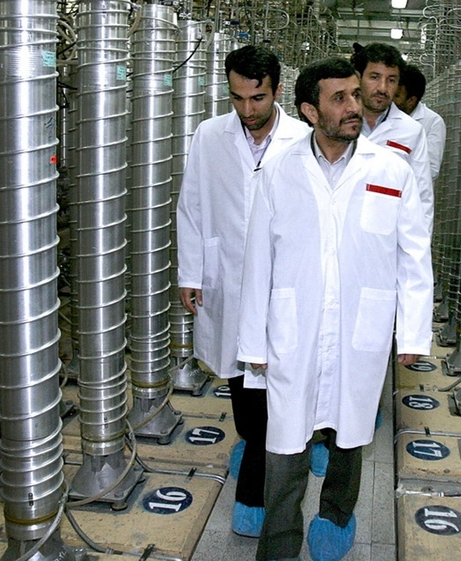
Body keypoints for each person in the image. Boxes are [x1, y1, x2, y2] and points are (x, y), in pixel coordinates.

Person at [237, 57, 433, 561]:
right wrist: (252, 342)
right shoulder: (279, 169)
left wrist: (412, 332)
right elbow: (259, 257)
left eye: (354, 94)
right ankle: (279, 544)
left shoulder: (390, 168)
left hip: (360, 323)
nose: (355, 106)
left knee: (351, 429)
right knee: (285, 441)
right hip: (294, 323)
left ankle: (337, 515)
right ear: (309, 110)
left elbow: (413, 254)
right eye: (340, 98)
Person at [176, 44, 310, 538]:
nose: (247, 110)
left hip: (283, 285)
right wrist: (191, 271)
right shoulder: (210, 135)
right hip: (227, 279)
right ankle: (254, 442)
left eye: (257, 98)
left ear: (276, 90)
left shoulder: (303, 137)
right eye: (237, 99)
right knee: (239, 378)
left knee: (273, 391)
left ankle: (254, 492)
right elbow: (191, 205)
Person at [350, 42, 434, 228]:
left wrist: (418, 251)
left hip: (387, 234)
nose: (382, 88)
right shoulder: (340, 122)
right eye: (374, 77)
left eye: (391, 80)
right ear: (358, 77)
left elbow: (422, 196)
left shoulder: (411, 131)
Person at [393, 64, 446, 181]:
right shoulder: (384, 115)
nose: (391, 100)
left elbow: (431, 169)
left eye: (397, 96)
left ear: (411, 100)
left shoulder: (432, 122)